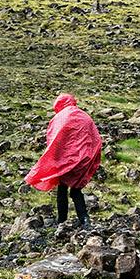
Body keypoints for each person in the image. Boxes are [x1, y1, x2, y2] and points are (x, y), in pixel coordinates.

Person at [24, 93, 103, 228]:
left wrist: (55, 159)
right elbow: (96, 138)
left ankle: (62, 220)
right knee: (76, 189)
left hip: (67, 159)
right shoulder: (85, 116)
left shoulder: (60, 117)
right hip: (84, 159)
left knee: (62, 188)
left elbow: (54, 139)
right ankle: (84, 220)